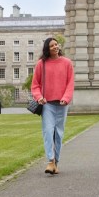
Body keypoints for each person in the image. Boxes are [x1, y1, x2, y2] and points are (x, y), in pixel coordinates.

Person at [31, 37, 74, 175]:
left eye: (56, 44)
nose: (55, 47)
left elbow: (70, 83)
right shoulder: (41, 64)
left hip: (62, 104)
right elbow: (35, 85)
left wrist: (66, 98)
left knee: (59, 135)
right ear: (47, 49)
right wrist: (39, 97)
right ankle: (50, 160)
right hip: (47, 103)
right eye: (52, 45)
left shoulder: (67, 63)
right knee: (48, 131)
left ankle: (56, 162)